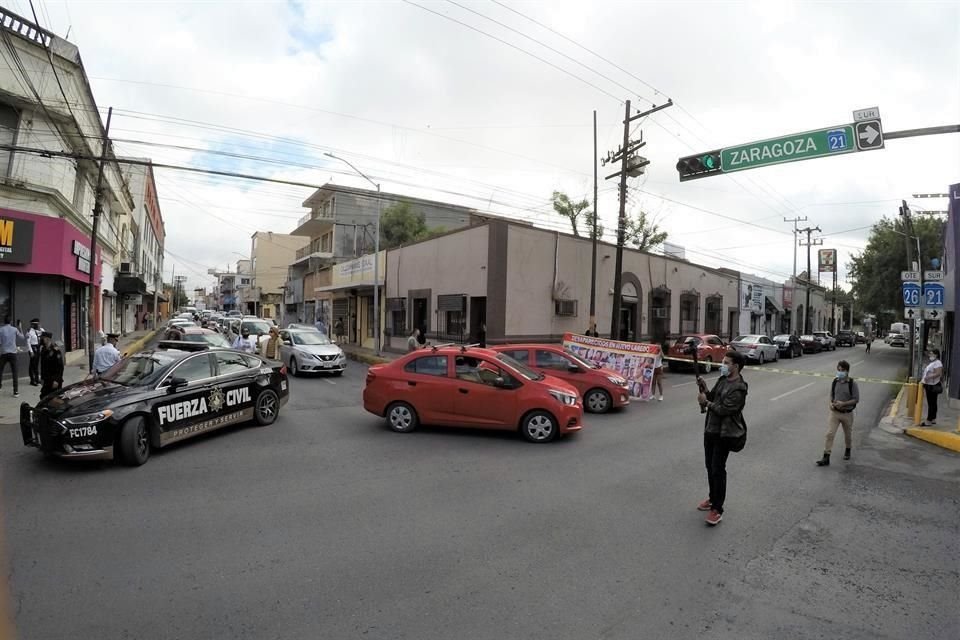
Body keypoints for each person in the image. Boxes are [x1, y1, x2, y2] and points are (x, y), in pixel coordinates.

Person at [696, 350, 748, 527]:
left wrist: (706, 403)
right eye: (724, 362)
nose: (723, 365)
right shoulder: (722, 380)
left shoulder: (740, 388)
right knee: (709, 466)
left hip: (724, 434)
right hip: (710, 429)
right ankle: (712, 498)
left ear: (736, 366)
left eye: (727, 362)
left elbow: (726, 409)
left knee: (718, 469)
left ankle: (717, 509)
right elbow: (713, 397)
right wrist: (704, 389)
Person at [816, 360, 860, 466]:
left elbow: (856, 399)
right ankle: (826, 457)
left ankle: (848, 449)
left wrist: (844, 403)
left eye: (842, 370)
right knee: (830, 434)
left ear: (847, 371)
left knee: (847, 435)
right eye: (839, 370)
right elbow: (832, 395)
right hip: (835, 413)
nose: (840, 372)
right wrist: (831, 403)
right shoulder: (835, 381)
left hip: (847, 414)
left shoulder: (852, 384)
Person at [0, 317, 24, 397]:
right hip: (13, 353)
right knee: (15, 373)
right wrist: (20, 328)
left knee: (0, 370)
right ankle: (15, 391)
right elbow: (22, 337)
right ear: (10, 321)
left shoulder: (1, 329)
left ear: (4, 321)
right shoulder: (14, 329)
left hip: (4, 353)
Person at [920, 348, 944, 426]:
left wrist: (928, 377)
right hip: (929, 384)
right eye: (930, 353)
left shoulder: (938, 363)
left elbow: (938, 373)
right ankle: (933, 418)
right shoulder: (933, 362)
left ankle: (929, 420)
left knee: (931, 403)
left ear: (936, 355)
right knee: (933, 403)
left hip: (932, 385)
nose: (930, 355)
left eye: (931, 353)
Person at [38, 331, 64, 397]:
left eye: (42, 338)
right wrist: (42, 378)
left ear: (47, 339)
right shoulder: (43, 350)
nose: (41, 340)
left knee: (54, 399)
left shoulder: (56, 351)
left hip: (54, 380)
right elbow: (43, 366)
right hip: (46, 379)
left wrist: (57, 380)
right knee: (43, 397)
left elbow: (60, 367)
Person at [26, 318, 43, 386]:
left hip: (38, 348)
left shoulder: (40, 330)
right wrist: (31, 351)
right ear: (33, 324)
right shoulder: (29, 331)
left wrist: (40, 329)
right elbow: (28, 342)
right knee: (32, 365)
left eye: (38, 324)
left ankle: (37, 379)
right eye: (36, 324)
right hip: (32, 349)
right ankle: (32, 380)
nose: (37, 325)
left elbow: (45, 334)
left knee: (36, 365)